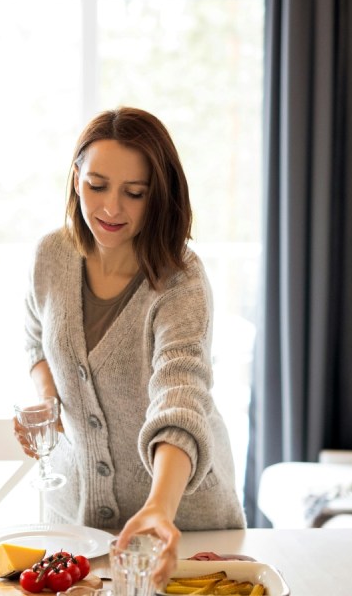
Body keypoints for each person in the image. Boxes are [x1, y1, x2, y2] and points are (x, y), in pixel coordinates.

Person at [18, 107, 245, 585]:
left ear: (157, 194)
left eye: (134, 193)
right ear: (76, 177)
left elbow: (180, 397)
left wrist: (160, 509)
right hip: (77, 527)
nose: (111, 209)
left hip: (183, 527)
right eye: (97, 186)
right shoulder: (50, 256)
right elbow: (35, 337)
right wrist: (46, 399)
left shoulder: (181, 281)